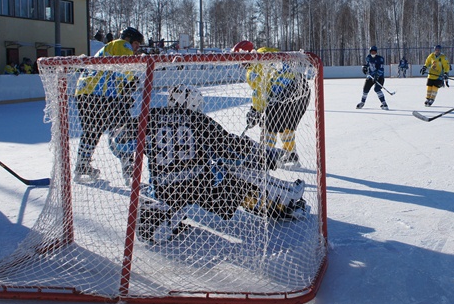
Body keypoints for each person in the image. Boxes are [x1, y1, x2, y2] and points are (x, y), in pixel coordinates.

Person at [109, 85, 306, 243]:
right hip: (200, 188)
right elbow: (230, 147)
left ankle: (164, 217)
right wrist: (267, 155)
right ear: (191, 103)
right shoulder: (199, 120)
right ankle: (284, 197)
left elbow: (119, 142)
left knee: (166, 193)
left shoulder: (149, 117)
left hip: (164, 190)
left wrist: (128, 161)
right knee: (233, 170)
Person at [73, 26, 144, 183]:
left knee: (92, 130)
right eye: (136, 45)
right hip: (100, 95)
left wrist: (125, 90)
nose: (135, 50)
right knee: (123, 128)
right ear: (129, 40)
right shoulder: (121, 44)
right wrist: (132, 81)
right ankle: (129, 171)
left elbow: (115, 73)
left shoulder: (108, 50)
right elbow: (125, 68)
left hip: (84, 93)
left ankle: (82, 165)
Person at [243, 44, 311, 166]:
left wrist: (255, 110)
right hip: (302, 89)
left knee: (268, 123)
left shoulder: (252, 69)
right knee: (285, 124)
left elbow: (261, 91)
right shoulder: (264, 51)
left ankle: (265, 157)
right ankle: (290, 153)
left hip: (286, 91)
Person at [356, 46, 389, 110]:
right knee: (365, 89)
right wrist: (364, 67)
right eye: (372, 51)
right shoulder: (368, 58)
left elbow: (381, 69)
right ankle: (362, 102)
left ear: (376, 52)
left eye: (374, 51)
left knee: (377, 89)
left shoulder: (380, 59)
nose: (373, 53)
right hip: (371, 76)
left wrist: (377, 75)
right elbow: (367, 65)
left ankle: (384, 103)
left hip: (379, 77)